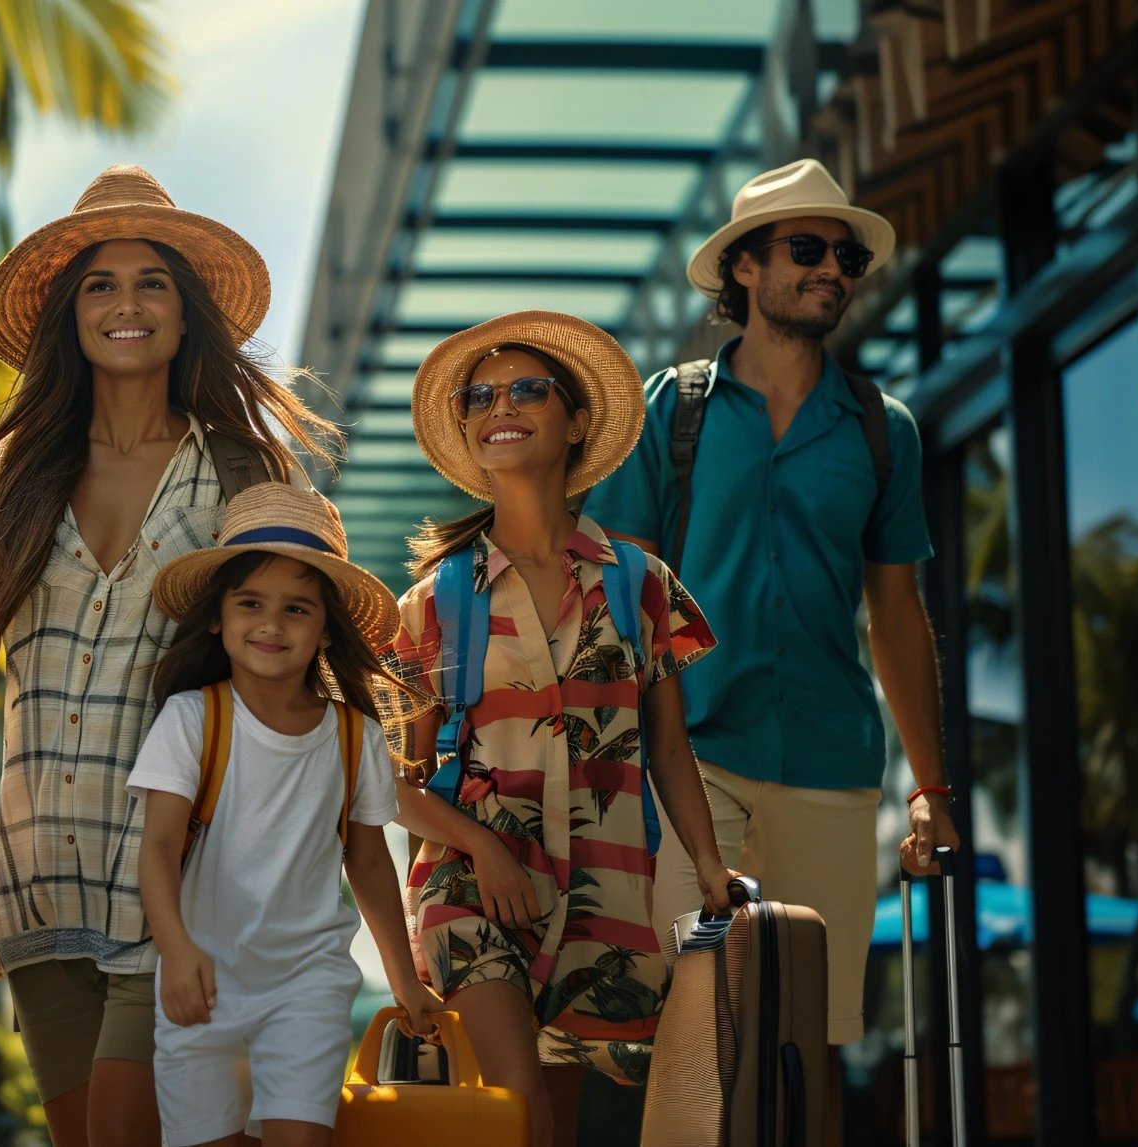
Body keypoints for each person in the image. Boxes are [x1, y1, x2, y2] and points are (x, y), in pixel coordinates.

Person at [0, 164, 339, 1147]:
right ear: (70, 315)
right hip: (39, 884)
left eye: (151, 283)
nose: (125, 305)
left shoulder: (242, 472)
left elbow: (290, 661)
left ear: (185, 315)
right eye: (100, 285)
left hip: (183, 879)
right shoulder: (8, 472)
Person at [583, 159, 962, 1126]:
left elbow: (897, 617)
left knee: (812, 1041)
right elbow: (623, 604)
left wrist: (930, 786)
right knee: (693, 1024)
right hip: (694, 760)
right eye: (806, 249)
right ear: (743, 268)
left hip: (834, 767)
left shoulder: (883, 431)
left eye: (845, 256)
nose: (832, 268)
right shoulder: (671, 410)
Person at [384, 310, 737, 1147]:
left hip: (604, 893)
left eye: (527, 389)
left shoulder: (641, 584)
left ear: (575, 423)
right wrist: (481, 846)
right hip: (472, 889)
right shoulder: (434, 604)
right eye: (480, 396)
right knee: (519, 1107)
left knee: (558, 1122)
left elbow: (668, 747)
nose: (500, 405)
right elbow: (389, 786)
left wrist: (709, 862)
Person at [129, 482, 444, 1147]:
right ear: (217, 618)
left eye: (296, 608)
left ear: (325, 630)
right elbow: (156, 848)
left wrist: (404, 979)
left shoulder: (355, 735)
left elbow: (367, 863)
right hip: (201, 982)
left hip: (309, 984)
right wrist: (176, 950)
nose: (271, 624)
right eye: (250, 603)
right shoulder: (192, 718)